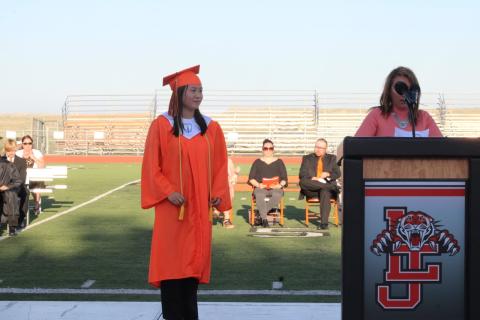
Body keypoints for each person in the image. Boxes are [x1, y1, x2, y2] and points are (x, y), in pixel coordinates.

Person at [141, 65, 231, 320]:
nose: (198, 95)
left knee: (192, 271)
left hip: (199, 211)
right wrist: (168, 191)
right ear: (179, 93)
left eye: (200, 90)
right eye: (193, 90)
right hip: (172, 211)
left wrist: (217, 193)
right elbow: (151, 166)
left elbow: (220, 165)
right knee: (172, 269)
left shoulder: (211, 128)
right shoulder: (162, 125)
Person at [355, 66, 443, 137]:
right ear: (389, 91)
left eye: (409, 90)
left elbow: (443, 149)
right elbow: (356, 147)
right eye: (400, 89)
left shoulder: (424, 118)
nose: (405, 94)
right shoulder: (377, 115)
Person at [299, 138, 341, 230]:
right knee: (302, 181)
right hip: (311, 188)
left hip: (325, 189)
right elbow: (302, 174)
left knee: (325, 191)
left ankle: (324, 224)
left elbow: (337, 173)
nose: (318, 149)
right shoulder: (307, 158)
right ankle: (331, 187)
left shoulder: (332, 158)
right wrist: (312, 178)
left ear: (325, 149)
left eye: (321, 148)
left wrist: (328, 174)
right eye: (317, 147)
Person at [248, 139, 288, 228]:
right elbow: (251, 178)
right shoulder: (257, 162)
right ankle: (264, 219)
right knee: (259, 193)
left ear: (273, 149)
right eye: (266, 148)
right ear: (262, 149)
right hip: (261, 187)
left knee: (277, 194)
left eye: (270, 148)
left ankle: (261, 214)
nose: (268, 150)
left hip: (276, 187)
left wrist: (280, 185)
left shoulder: (279, 162)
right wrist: (258, 185)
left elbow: (284, 178)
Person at [2, 139, 28, 229]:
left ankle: (18, 221)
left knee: (22, 193)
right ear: (6, 150)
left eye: (13, 150)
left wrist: (8, 187)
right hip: (2, 187)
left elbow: (21, 179)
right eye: (9, 150)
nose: (12, 152)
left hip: (16, 187)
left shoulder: (21, 161)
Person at [16, 135, 45, 215]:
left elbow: (42, 166)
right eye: (25, 143)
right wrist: (22, 158)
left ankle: (37, 203)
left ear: (32, 144)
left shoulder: (37, 152)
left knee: (35, 182)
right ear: (22, 144)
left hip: (35, 177)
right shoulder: (18, 153)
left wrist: (34, 158)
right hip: (21, 178)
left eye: (30, 143)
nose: (27, 145)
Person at [1, 142, 23, 236]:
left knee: (11, 196)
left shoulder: (9, 165)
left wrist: (7, 187)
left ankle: (12, 227)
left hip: (8, 189)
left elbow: (18, 180)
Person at [222, 157, 240, 228]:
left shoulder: (228, 160)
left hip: (225, 186)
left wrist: (235, 174)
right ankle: (225, 218)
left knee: (228, 189)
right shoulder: (209, 159)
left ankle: (226, 219)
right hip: (211, 185)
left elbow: (233, 179)